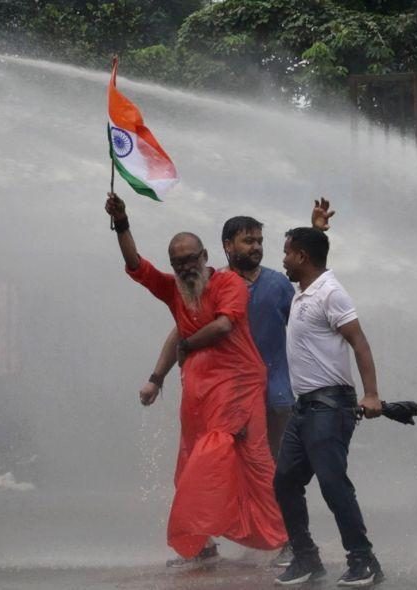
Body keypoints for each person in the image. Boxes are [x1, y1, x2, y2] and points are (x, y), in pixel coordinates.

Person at [139, 201, 334, 569]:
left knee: (274, 470)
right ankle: (204, 541)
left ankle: (291, 542)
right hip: (222, 394)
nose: (256, 247)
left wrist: (317, 235)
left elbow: (309, 301)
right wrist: (156, 378)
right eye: (248, 241)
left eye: (259, 240)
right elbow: (181, 333)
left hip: (273, 391)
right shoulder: (209, 283)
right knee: (209, 464)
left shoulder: (277, 283)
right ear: (227, 246)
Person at [104, 192, 287, 562]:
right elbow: (137, 265)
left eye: (190, 259)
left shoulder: (227, 284)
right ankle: (202, 544)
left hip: (238, 387)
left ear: (205, 257)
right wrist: (122, 223)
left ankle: (285, 538)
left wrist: (188, 343)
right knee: (190, 466)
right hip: (198, 394)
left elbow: (222, 325)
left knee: (247, 461)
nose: (185, 267)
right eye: (177, 263)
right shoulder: (175, 291)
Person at [273, 227, 384, 587]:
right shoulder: (305, 291)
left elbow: (360, 343)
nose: (283, 259)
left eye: (288, 252)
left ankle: (363, 560)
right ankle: (306, 559)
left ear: (302, 257)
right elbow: (312, 251)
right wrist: (316, 227)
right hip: (303, 408)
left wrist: (371, 395)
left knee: (333, 484)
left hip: (330, 406)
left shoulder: (331, 294)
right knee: (285, 481)